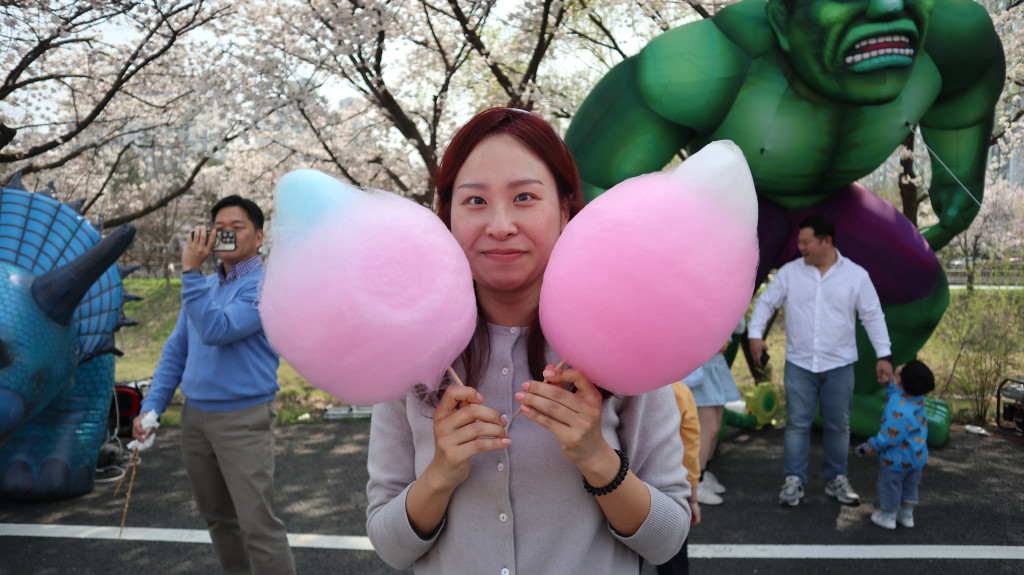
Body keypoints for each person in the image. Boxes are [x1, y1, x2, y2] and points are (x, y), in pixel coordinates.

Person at [565, 0, 1004, 425]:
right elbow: (586, 193)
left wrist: (960, 180)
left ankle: (850, 398)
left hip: (834, 202)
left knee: (921, 292)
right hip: (733, 203)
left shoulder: (955, 37)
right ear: (779, 20)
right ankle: (667, 418)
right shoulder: (702, 62)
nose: (889, 7)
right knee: (689, 318)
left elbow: (964, 103)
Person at [365, 107, 691, 574]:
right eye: (475, 200)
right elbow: (390, 547)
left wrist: (597, 458)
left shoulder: (623, 340)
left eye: (524, 197)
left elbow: (668, 541)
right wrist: (439, 475)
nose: (500, 225)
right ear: (447, 216)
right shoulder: (412, 349)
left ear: (564, 210)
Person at [132, 196, 295, 575]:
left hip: (244, 418)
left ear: (259, 236)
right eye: (219, 229)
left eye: (237, 228)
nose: (226, 235)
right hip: (195, 418)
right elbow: (177, 352)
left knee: (258, 525)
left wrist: (190, 271)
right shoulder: (203, 286)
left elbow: (216, 329)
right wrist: (152, 406)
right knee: (218, 520)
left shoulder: (266, 286)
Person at [747, 214, 893, 507]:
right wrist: (754, 334)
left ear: (827, 242)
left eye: (806, 242)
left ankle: (836, 479)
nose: (800, 247)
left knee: (839, 425)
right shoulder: (790, 273)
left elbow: (873, 315)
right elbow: (766, 302)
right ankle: (793, 480)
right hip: (799, 363)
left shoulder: (856, 276)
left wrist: (884, 355)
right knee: (797, 424)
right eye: (799, 241)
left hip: (839, 364)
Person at [854, 360, 935, 530]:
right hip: (916, 456)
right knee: (910, 486)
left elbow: (889, 437)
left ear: (900, 379)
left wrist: (872, 445)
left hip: (896, 460)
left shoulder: (899, 409)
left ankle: (888, 517)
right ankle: (906, 516)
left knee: (890, 486)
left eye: (904, 366)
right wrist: (888, 385)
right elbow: (898, 391)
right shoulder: (918, 397)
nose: (902, 364)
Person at [686, 320, 746, 505]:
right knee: (709, 427)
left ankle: (704, 472)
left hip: (714, 361)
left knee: (716, 423)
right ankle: (696, 483)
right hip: (701, 364)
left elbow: (737, 325)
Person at [655, 382, 703, 575]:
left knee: (626, 559)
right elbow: (689, 446)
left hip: (624, 488)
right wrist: (692, 496)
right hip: (670, 490)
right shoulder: (679, 390)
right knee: (673, 561)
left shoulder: (616, 389)